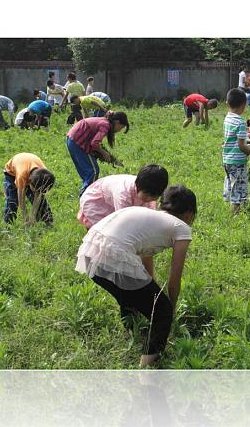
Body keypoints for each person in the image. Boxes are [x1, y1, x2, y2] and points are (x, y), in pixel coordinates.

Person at [75, 185, 196, 367]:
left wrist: (150, 290)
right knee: (161, 312)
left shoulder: (148, 216)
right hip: (112, 255)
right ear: (188, 214)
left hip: (89, 253)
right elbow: (174, 279)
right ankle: (146, 366)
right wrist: (170, 309)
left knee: (130, 295)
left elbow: (145, 258)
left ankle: (133, 331)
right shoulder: (182, 227)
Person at [77, 164, 169, 229]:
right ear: (138, 185)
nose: (149, 199)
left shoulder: (149, 191)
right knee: (103, 230)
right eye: (147, 195)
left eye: (154, 197)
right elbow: (123, 220)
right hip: (97, 202)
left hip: (113, 201)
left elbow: (149, 215)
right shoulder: (123, 194)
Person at [66, 112, 130, 195]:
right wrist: (104, 153)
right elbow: (94, 143)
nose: (119, 131)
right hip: (78, 141)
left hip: (72, 139)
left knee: (87, 171)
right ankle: (86, 195)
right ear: (117, 122)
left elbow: (95, 143)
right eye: (120, 128)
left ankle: (85, 191)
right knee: (93, 171)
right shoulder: (106, 125)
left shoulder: (104, 122)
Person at [222, 88, 250, 215]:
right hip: (237, 160)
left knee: (231, 181)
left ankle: (242, 205)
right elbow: (241, 145)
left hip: (227, 159)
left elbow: (233, 139)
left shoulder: (227, 118)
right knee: (238, 184)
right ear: (244, 105)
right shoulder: (240, 122)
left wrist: (249, 142)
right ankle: (235, 212)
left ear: (227, 104)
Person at [3, 153, 55, 225]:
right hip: (11, 173)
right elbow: (21, 198)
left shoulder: (44, 176)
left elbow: (38, 197)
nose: (37, 192)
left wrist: (33, 216)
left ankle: (48, 221)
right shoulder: (21, 176)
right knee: (12, 200)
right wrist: (25, 217)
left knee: (42, 201)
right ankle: (8, 223)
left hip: (29, 169)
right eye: (36, 190)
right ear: (29, 181)